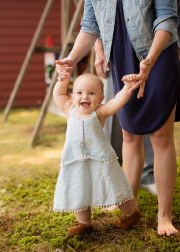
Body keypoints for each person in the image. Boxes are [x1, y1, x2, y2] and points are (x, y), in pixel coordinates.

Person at [57, 0, 180, 236]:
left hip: (158, 55)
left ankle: (164, 217)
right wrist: (70, 58)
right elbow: (89, 27)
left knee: (162, 137)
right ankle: (130, 208)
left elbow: (167, 17)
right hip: (123, 59)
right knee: (128, 134)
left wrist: (150, 60)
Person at [94, 0, 180, 195]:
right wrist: (99, 48)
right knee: (125, 128)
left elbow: (179, 10)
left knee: (160, 134)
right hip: (122, 51)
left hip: (163, 48)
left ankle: (151, 179)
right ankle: (122, 190)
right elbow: (101, 10)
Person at [53, 69, 141, 235]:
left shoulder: (99, 112)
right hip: (76, 161)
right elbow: (58, 94)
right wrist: (63, 80)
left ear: (101, 98)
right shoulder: (69, 109)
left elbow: (117, 102)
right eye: (79, 92)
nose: (85, 97)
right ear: (72, 96)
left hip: (100, 161)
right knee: (79, 188)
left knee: (114, 187)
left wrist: (127, 88)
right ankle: (84, 223)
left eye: (91, 93)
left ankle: (131, 214)